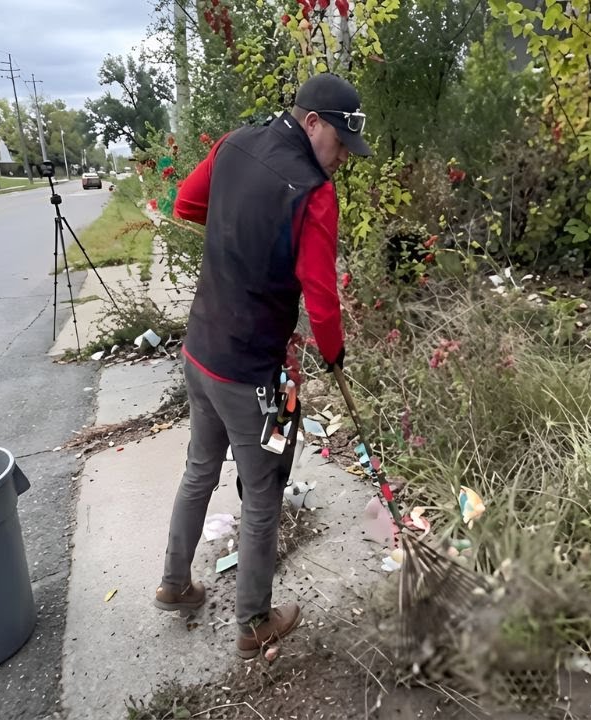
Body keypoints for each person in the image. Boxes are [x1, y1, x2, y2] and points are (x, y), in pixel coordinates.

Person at [154, 73, 372, 659]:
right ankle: (254, 622)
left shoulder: (233, 143)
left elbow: (187, 202)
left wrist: (238, 240)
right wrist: (334, 353)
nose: (342, 161)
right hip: (254, 375)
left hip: (200, 351)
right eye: (340, 145)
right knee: (265, 489)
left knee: (201, 468)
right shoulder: (312, 192)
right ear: (312, 123)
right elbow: (321, 297)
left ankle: (175, 584)